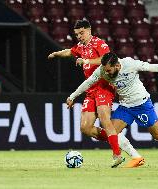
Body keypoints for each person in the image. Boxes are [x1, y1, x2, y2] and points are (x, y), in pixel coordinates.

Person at [67, 52, 158, 163]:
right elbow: (88, 82)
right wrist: (72, 96)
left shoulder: (129, 64)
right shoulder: (102, 70)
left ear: (117, 65)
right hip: (125, 107)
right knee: (111, 133)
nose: (106, 73)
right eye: (105, 70)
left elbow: (154, 67)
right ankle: (136, 157)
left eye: (109, 70)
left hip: (142, 104)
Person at [48, 20, 143, 168]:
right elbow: (69, 51)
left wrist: (86, 60)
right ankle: (120, 141)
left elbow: (105, 60)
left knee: (105, 120)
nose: (79, 36)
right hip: (91, 90)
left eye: (81, 33)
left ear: (89, 30)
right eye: (77, 34)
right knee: (85, 128)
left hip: (104, 87)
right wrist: (56, 53)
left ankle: (117, 155)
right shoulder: (80, 46)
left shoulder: (99, 43)